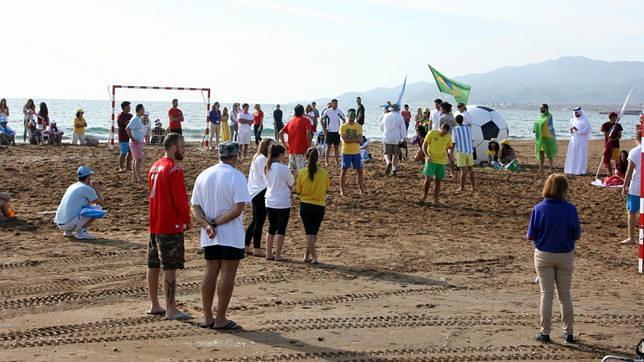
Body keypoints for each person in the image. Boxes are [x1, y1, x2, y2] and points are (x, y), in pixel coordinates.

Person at [190, 141, 250, 330]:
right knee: (227, 273)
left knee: (210, 272)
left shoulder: (204, 175)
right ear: (235, 156)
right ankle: (221, 317)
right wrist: (215, 223)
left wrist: (207, 224)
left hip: (210, 234)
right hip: (229, 234)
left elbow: (195, 207)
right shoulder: (237, 176)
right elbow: (238, 208)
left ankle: (207, 316)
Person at [527, 173, 579, 344]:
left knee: (546, 294)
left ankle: (545, 332)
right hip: (565, 254)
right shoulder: (570, 209)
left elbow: (531, 235)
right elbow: (576, 234)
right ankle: (569, 333)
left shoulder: (538, 209)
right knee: (565, 296)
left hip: (543, 254)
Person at [147, 133, 192, 320]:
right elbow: (180, 199)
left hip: (155, 222)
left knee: (153, 264)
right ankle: (171, 308)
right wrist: (186, 219)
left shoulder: (154, 166)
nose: (184, 150)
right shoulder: (173, 169)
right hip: (169, 224)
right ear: (173, 147)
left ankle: (155, 304)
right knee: (169, 267)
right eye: (182, 147)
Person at [54, 166, 106, 240]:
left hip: (60, 223)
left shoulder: (72, 186)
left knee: (80, 208)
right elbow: (101, 202)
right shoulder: (86, 188)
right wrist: (95, 188)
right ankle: (82, 232)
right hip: (69, 224)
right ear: (88, 178)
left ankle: (68, 232)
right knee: (98, 208)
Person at [296, 148, 329, 264]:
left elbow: (298, 190)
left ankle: (309, 256)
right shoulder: (324, 173)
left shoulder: (302, 172)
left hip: (306, 204)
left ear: (306, 157)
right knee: (312, 233)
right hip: (319, 205)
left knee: (311, 233)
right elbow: (326, 189)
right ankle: (311, 256)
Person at [263, 144, 294, 261]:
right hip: (282, 201)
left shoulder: (267, 167)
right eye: (284, 153)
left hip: (270, 200)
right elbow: (291, 182)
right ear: (280, 154)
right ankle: (278, 255)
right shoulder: (283, 168)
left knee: (271, 227)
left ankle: (268, 253)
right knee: (281, 228)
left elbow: (266, 183)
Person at [245, 139, 273, 257]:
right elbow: (265, 176)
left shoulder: (257, 157)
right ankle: (256, 247)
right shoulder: (262, 159)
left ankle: (246, 245)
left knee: (255, 220)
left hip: (255, 191)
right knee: (259, 221)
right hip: (260, 191)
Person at [420, 124, 452, 205]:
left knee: (438, 181)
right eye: (442, 132)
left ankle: (436, 200)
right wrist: (427, 155)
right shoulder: (432, 133)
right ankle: (424, 197)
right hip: (431, 160)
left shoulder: (448, 136)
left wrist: (450, 155)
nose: (443, 134)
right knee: (428, 180)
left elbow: (449, 147)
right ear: (440, 128)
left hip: (441, 161)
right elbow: (424, 144)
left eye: (445, 133)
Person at [622, 126, 641, 245]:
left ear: (636, 139)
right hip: (638, 184)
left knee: (632, 212)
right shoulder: (635, 151)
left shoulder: (635, 151)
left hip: (637, 186)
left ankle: (631, 237)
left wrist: (624, 185)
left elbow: (629, 171)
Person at [279, 104, 313, 171]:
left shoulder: (291, 121)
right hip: (301, 150)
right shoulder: (306, 121)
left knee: (291, 171)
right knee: (302, 171)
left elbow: (280, 133)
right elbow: (308, 133)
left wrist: (285, 145)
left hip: (291, 150)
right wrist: (309, 147)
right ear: (303, 111)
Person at [340, 109, 364, 195]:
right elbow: (345, 140)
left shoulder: (358, 126)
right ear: (348, 116)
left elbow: (361, 141)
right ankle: (342, 191)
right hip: (346, 152)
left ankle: (361, 190)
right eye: (350, 116)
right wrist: (356, 139)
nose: (352, 118)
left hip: (356, 152)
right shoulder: (343, 126)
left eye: (353, 116)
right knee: (344, 171)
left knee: (360, 171)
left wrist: (351, 138)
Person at [380, 104, 407, 176]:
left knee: (386, 153)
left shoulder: (385, 116)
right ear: (398, 109)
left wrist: (384, 132)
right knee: (396, 154)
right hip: (396, 138)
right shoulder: (400, 116)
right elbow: (403, 128)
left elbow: (381, 127)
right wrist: (404, 138)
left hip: (387, 137)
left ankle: (388, 162)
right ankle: (394, 169)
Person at [563, 107, 591, 176]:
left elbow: (586, 131)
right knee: (572, 154)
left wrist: (577, 130)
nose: (576, 114)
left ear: (580, 112)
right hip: (573, 139)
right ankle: (571, 169)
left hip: (582, 140)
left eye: (577, 112)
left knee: (580, 154)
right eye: (575, 112)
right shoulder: (572, 120)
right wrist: (571, 130)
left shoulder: (584, 121)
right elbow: (570, 129)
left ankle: (580, 170)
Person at [452, 115, 475, 191]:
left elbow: (454, 142)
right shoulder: (468, 128)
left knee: (463, 170)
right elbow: (472, 139)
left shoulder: (455, 129)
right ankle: (473, 187)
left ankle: (462, 187)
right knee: (470, 170)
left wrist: (451, 152)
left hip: (461, 151)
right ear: (463, 120)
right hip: (469, 151)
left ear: (456, 121)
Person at [534, 104, 558, 173]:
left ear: (546, 109)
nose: (540, 109)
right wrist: (535, 129)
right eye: (540, 108)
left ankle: (551, 168)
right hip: (540, 137)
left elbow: (550, 126)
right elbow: (537, 124)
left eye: (542, 108)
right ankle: (541, 168)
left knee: (549, 153)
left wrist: (553, 135)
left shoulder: (549, 116)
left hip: (548, 137)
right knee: (541, 152)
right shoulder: (540, 116)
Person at [126, 104, 147, 183]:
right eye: (143, 109)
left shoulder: (138, 119)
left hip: (138, 142)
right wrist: (132, 139)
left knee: (136, 159)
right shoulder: (135, 119)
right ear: (140, 110)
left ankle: (134, 177)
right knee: (138, 159)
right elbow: (127, 128)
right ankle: (138, 178)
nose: (144, 111)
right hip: (136, 143)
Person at [322, 99, 345, 166]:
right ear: (331, 104)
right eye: (334, 103)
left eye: (336, 103)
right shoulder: (327, 111)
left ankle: (337, 161)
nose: (335, 105)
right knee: (328, 147)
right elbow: (321, 119)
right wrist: (324, 129)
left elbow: (344, 119)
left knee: (336, 148)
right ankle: (326, 161)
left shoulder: (339, 111)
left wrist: (341, 128)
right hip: (329, 132)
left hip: (337, 132)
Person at [600, 112, 623, 176]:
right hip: (607, 144)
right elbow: (606, 134)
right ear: (611, 117)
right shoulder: (605, 125)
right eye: (615, 117)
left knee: (617, 160)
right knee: (607, 159)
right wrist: (611, 129)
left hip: (615, 145)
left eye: (616, 117)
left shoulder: (618, 125)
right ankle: (610, 173)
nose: (616, 118)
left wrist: (613, 139)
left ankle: (618, 172)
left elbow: (620, 136)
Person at [439, 102, 457, 177]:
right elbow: (455, 126)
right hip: (452, 138)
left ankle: (442, 171)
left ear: (444, 109)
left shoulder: (442, 118)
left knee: (442, 155)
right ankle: (452, 172)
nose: (440, 109)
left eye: (441, 108)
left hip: (444, 138)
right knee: (451, 155)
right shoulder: (452, 116)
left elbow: (440, 129)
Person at [117, 101, 133, 172]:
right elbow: (125, 123)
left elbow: (132, 124)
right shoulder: (120, 116)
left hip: (130, 137)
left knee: (130, 153)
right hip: (123, 137)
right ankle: (120, 167)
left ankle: (128, 167)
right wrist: (131, 121)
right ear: (124, 107)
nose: (129, 108)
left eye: (129, 106)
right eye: (128, 106)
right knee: (123, 153)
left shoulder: (130, 115)